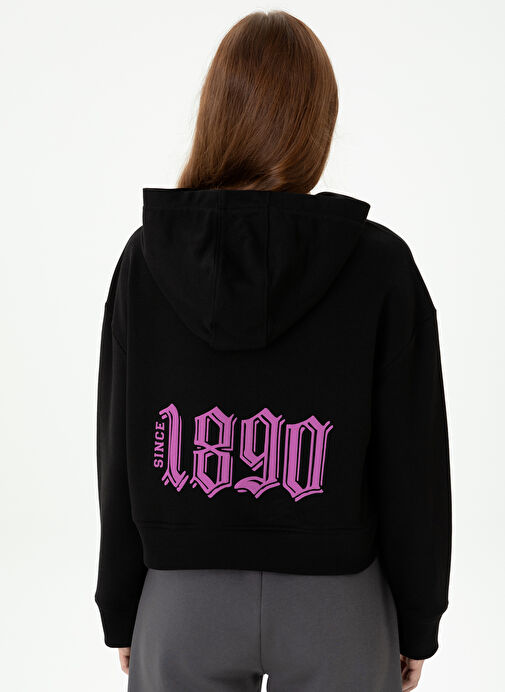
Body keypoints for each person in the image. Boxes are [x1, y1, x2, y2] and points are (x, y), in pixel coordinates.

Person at [94, 10, 452, 692]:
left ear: (216, 112)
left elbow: (119, 445)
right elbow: (414, 461)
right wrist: (416, 619)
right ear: (316, 122)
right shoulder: (379, 265)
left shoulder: (146, 260)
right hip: (337, 600)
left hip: (181, 596)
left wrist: (121, 605)